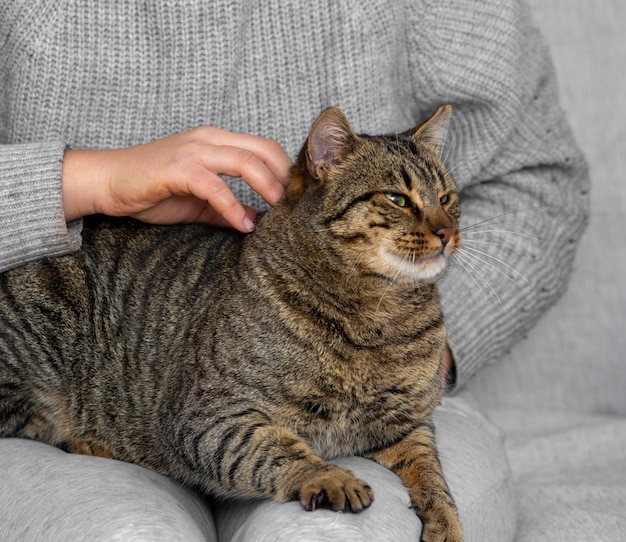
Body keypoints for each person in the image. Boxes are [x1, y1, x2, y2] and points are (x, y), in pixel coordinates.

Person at [0, 1, 589, 540]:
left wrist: (429, 359)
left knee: (327, 537)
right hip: (81, 389)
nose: (439, 228)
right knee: (126, 534)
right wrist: (86, 182)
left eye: (443, 205)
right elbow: (199, 423)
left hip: (391, 368)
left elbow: (538, 176)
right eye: (402, 203)